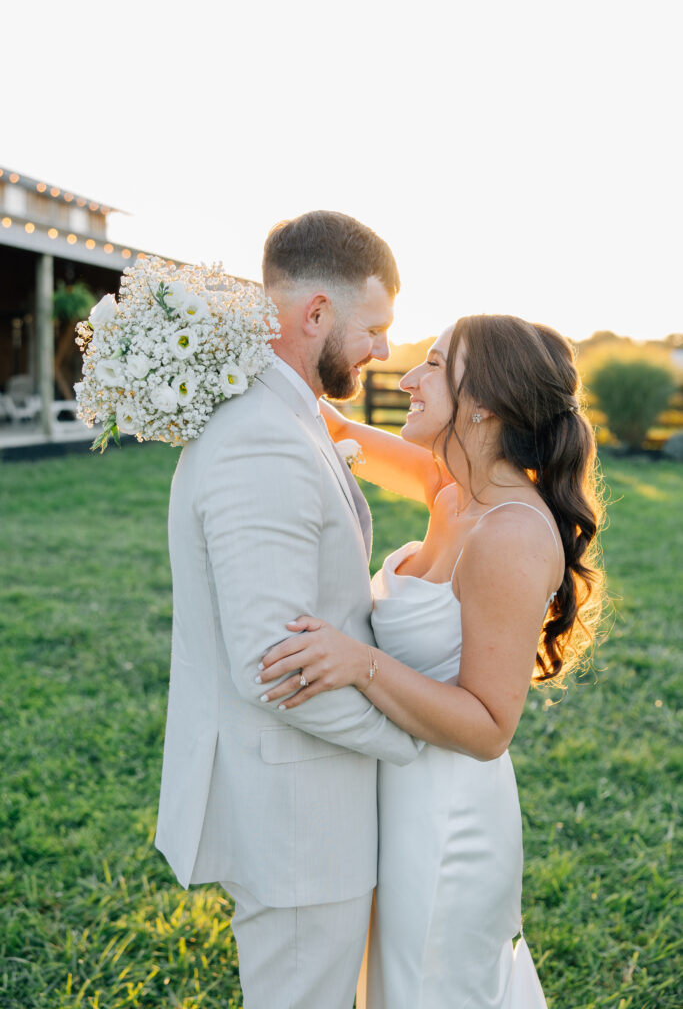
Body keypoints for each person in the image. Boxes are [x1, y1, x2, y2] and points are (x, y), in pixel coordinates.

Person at [258, 314, 605, 1008]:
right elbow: (332, 427)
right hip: (394, 791)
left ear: (483, 402)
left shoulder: (509, 531)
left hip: (445, 821)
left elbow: (488, 727)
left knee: (427, 986)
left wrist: (359, 663)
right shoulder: (453, 490)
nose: (408, 378)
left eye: (433, 366)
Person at [155, 211, 424, 1009]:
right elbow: (274, 667)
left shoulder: (289, 418)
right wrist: (406, 739)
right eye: (373, 328)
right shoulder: (261, 440)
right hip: (299, 821)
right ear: (314, 315)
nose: (382, 351)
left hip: (306, 813)